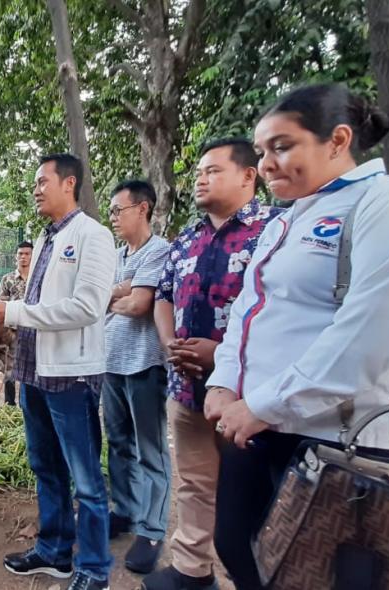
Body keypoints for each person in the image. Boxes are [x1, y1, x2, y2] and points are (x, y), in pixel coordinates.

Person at [204, 83, 389, 589]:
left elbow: (370, 331)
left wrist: (265, 404)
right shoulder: (283, 224)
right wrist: (225, 381)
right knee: (242, 548)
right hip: (261, 425)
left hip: (350, 440)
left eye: (282, 146)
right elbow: (248, 310)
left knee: (332, 572)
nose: (266, 164)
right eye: (262, 151)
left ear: (338, 140)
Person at [0, 153, 116, 590]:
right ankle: (54, 552)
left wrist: (11, 311)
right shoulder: (46, 238)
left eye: (41, 182)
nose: (35, 190)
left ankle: (94, 569)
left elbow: (88, 307)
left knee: (85, 478)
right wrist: (2, 311)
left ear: (69, 183)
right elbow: (39, 303)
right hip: (34, 372)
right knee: (45, 465)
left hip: (71, 376)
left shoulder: (93, 236)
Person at [148, 138, 281, 590]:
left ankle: (256, 577)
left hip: (250, 396)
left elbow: (287, 310)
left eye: (213, 171)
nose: (201, 179)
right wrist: (171, 345)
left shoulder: (276, 229)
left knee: (253, 493)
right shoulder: (187, 238)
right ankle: (192, 570)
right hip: (186, 389)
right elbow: (164, 296)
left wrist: (221, 354)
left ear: (248, 175)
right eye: (198, 172)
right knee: (194, 482)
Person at [101, 180, 172, 575]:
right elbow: (99, 299)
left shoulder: (159, 250)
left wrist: (118, 295)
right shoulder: (115, 256)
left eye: (118, 210)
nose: (113, 217)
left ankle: (152, 529)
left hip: (144, 363)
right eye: (111, 211)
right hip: (110, 362)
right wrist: (121, 290)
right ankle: (124, 511)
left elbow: (140, 304)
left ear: (143, 208)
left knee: (150, 448)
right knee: (118, 443)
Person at [0, 241, 33, 406]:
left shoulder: (38, 278)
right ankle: (9, 404)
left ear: (32, 256)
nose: (23, 257)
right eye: (20, 254)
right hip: (12, 330)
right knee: (9, 368)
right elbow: (1, 303)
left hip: (34, 328)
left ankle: (28, 404)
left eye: (27, 254)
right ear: (15, 257)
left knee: (32, 367)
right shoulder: (7, 279)